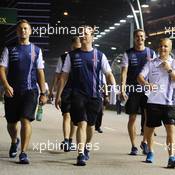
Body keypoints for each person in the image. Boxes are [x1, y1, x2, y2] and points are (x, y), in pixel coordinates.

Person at [55, 26, 116, 166]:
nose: (83, 36)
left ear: (92, 37)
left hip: (95, 96)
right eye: (81, 34)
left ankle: (87, 146)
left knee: (91, 125)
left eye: (86, 34)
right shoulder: (72, 55)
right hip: (78, 95)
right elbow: (64, 76)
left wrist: (114, 88)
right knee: (81, 123)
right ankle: (80, 154)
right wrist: (58, 95)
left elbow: (109, 74)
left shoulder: (100, 55)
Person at [0, 19, 47, 164]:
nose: (23, 31)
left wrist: (43, 93)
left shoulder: (36, 50)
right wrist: (6, 86)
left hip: (30, 91)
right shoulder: (9, 49)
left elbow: (40, 72)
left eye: (26, 28)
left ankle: (24, 153)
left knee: (25, 120)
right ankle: (15, 140)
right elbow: (2, 68)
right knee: (11, 123)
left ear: (30, 31)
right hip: (12, 92)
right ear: (17, 31)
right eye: (20, 29)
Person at [137, 38, 175, 168]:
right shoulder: (151, 63)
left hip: (169, 104)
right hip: (152, 102)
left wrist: (169, 70)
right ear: (158, 48)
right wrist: (146, 84)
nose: (163, 48)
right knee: (150, 130)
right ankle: (151, 152)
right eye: (160, 46)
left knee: (170, 130)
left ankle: (171, 157)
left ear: (170, 49)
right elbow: (140, 77)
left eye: (165, 46)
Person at [120, 29, 156, 155]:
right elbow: (124, 72)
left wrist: (156, 87)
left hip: (147, 90)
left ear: (145, 37)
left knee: (148, 118)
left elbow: (155, 72)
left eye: (141, 36)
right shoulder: (128, 53)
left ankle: (145, 142)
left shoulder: (151, 52)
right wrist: (123, 88)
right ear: (134, 38)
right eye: (137, 37)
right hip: (133, 90)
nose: (139, 39)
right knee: (132, 118)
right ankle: (134, 146)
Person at [50, 37, 80, 151]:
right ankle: (66, 139)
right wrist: (54, 91)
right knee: (66, 115)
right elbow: (57, 75)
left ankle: (70, 139)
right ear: (71, 46)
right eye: (75, 46)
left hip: (80, 91)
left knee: (74, 119)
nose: (77, 49)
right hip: (66, 90)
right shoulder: (63, 58)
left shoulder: (84, 56)